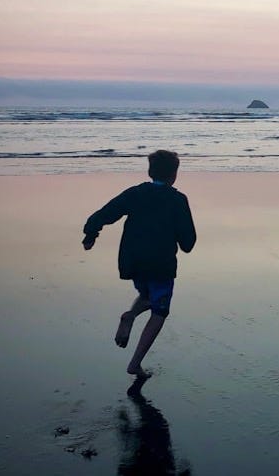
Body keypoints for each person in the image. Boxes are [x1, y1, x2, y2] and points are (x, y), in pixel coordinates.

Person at [82, 150, 196, 379]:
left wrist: (91, 233)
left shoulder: (135, 193)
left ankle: (130, 316)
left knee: (146, 295)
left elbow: (106, 213)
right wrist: (181, 238)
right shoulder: (177, 200)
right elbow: (188, 242)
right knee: (160, 310)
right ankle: (135, 363)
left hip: (132, 261)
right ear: (174, 175)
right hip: (160, 263)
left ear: (149, 171)